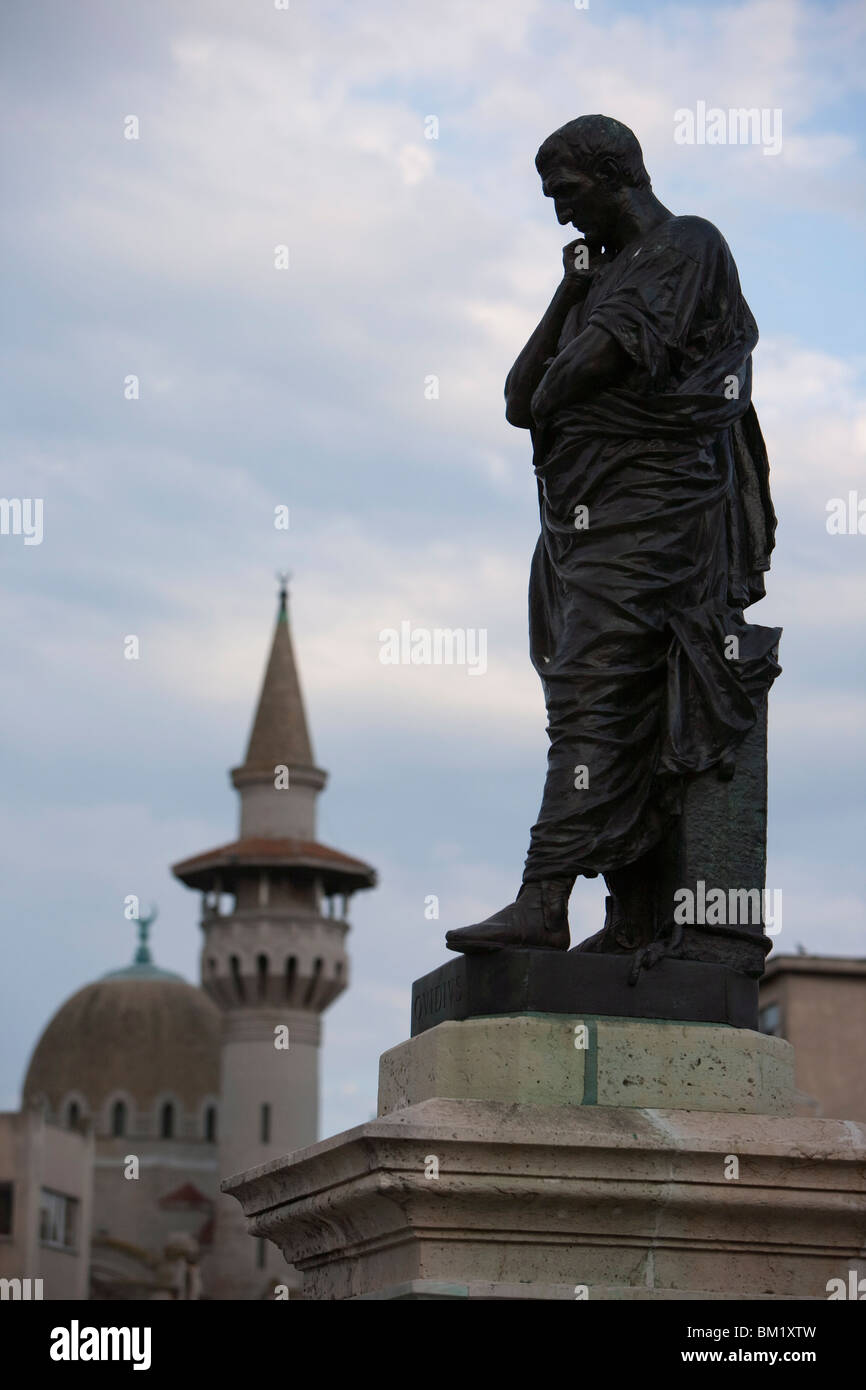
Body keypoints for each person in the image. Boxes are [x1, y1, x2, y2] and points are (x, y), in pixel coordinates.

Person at [446, 115, 780, 958]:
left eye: (567, 192)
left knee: (600, 685)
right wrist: (567, 293)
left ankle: (543, 899)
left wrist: (570, 364)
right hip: (584, 522)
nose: (560, 216)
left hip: (657, 513)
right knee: (602, 690)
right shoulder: (599, 279)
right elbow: (523, 398)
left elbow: (580, 375)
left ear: (616, 173)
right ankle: (633, 917)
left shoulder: (688, 246)